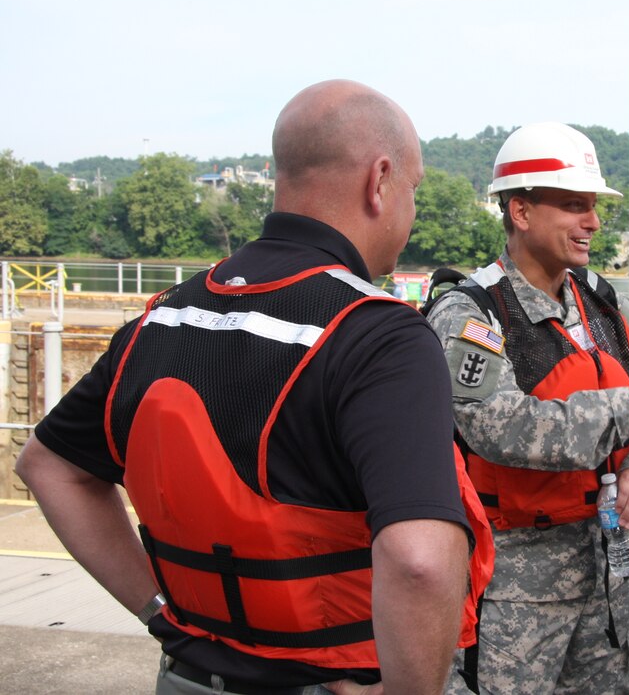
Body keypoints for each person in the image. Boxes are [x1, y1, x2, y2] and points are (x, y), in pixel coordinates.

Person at [14, 79, 493, 695]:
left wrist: (159, 613)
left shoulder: (159, 322)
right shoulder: (380, 336)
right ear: (379, 180)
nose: (412, 209)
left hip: (187, 675)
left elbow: (47, 466)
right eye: (414, 187)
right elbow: (421, 560)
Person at [424, 122, 629, 694]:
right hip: (513, 594)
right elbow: (496, 427)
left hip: (604, 584)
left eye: (593, 207)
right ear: (521, 213)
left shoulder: (606, 302)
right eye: (574, 206)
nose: (593, 222)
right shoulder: (469, 314)